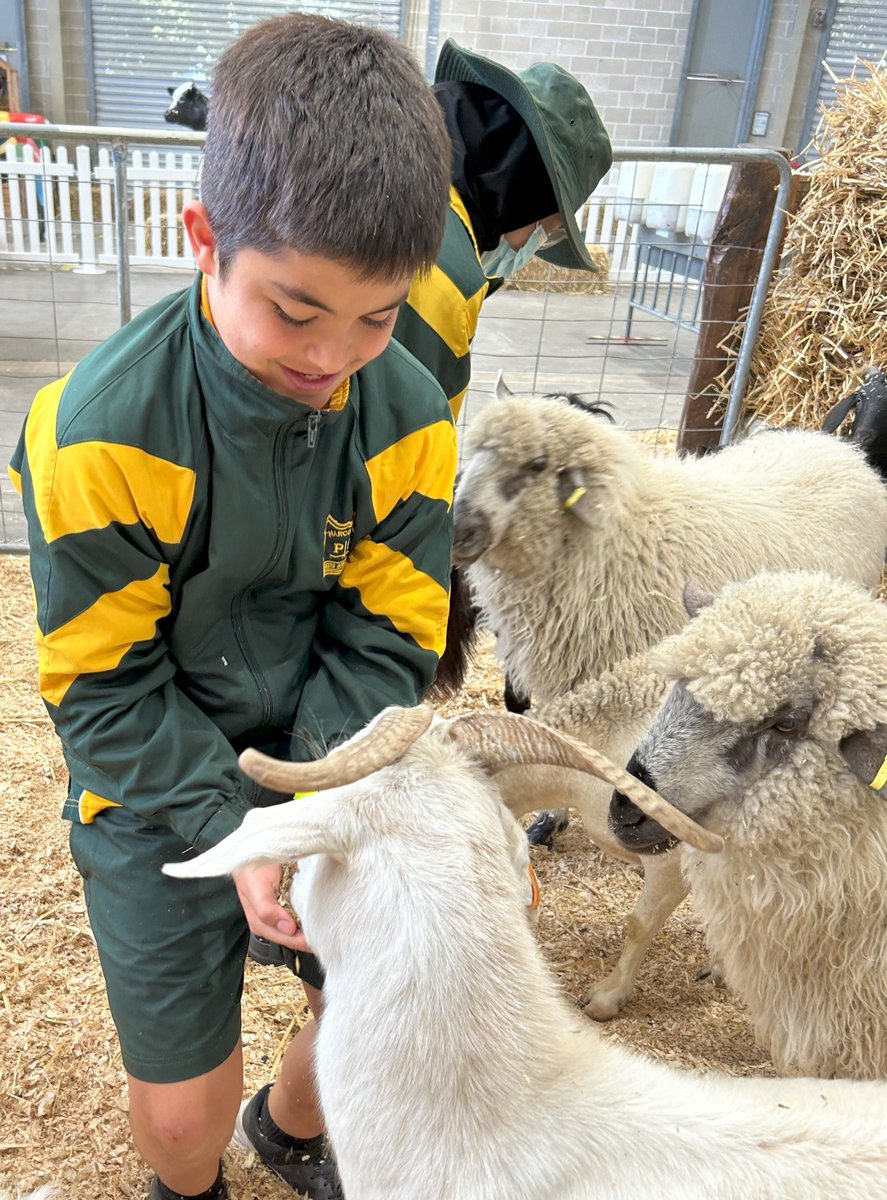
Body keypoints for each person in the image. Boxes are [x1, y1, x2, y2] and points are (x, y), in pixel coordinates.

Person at [8, 14, 455, 1200]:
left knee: (366, 1005)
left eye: (379, 316)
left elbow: (392, 636)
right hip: (157, 791)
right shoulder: (97, 430)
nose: (334, 358)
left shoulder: (404, 411)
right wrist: (234, 828)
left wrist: (303, 814)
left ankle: (292, 1124)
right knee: (176, 1124)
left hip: (332, 770)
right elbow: (101, 694)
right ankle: (196, 1173)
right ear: (202, 236)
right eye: (295, 311)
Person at [393, 38, 613, 422]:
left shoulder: (399, 171)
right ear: (529, 190)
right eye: (550, 229)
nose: (535, 245)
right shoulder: (442, 274)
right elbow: (412, 444)